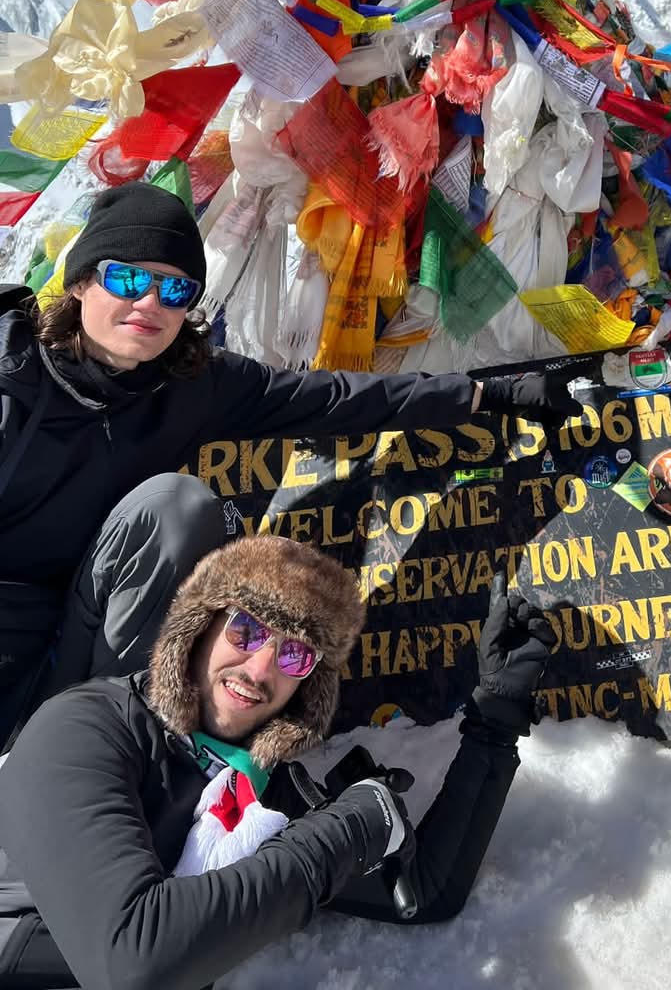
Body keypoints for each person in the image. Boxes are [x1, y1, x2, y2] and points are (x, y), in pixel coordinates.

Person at [0, 180, 580, 745]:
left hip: (80, 622)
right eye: (126, 278)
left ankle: (106, 730)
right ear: (80, 284)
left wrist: (487, 395)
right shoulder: (12, 375)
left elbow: (334, 399)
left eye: (174, 291)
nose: (149, 304)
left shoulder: (191, 386)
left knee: (177, 508)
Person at [0, 532, 556, 988]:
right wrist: (343, 834)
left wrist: (494, 721)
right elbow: (136, 960)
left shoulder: (261, 794)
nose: (260, 670)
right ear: (201, 626)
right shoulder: (84, 728)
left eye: (294, 654)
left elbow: (425, 892)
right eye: (247, 629)